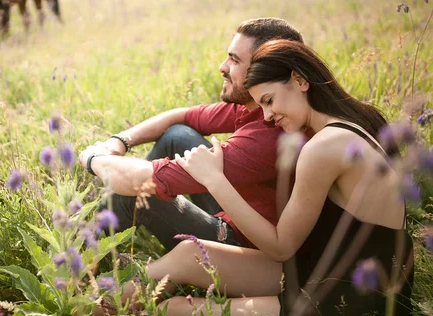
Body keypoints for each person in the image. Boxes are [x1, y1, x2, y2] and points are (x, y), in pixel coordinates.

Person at [141, 39, 413, 315]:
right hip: (326, 268)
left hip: (351, 296)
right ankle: (100, 298)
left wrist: (215, 179)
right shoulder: (360, 120)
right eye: (262, 106)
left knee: (174, 309)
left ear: (299, 80)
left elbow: (281, 247)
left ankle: (102, 303)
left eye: (269, 101)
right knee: (190, 254)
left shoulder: (324, 147)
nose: (268, 116)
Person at [79, 18, 306, 251]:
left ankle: (82, 259)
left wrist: (92, 158)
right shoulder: (258, 106)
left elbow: (144, 180)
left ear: (263, 70)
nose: (222, 67)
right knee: (178, 135)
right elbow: (184, 116)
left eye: (234, 60)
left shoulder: (268, 134)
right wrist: (121, 140)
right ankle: (96, 237)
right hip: (239, 207)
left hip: (244, 243)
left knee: (137, 191)